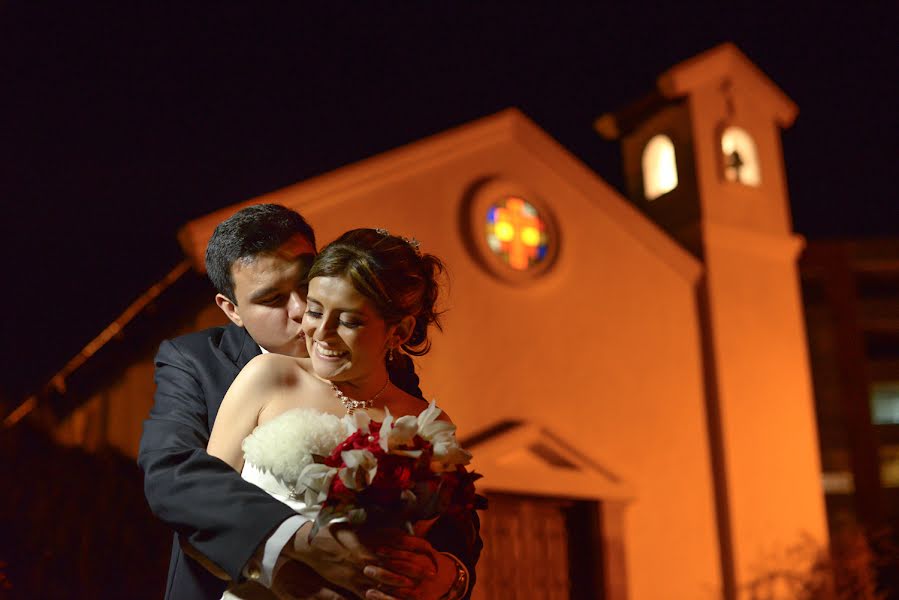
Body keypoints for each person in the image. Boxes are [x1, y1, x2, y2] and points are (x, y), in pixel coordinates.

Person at [138, 205, 480, 600]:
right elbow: (175, 476)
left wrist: (444, 576)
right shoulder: (202, 362)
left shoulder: (389, 371)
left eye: (307, 285)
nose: (302, 313)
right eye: (272, 299)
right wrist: (290, 550)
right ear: (232, 310)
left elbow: (448, 516)